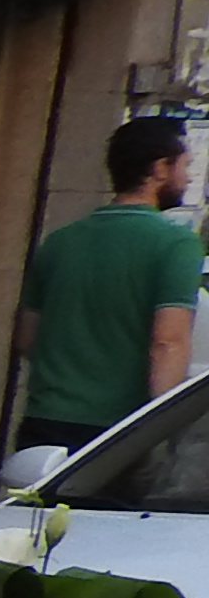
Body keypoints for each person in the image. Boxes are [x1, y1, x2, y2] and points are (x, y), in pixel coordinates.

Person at [15, 115, 199, 451]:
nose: (188, 178)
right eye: (185, 166)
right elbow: (168, 343)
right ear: (160, 169)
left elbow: (28, 339)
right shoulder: (176, 246)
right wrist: (160, 432)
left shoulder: (59, 242)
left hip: (44, 425)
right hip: (117, 434)